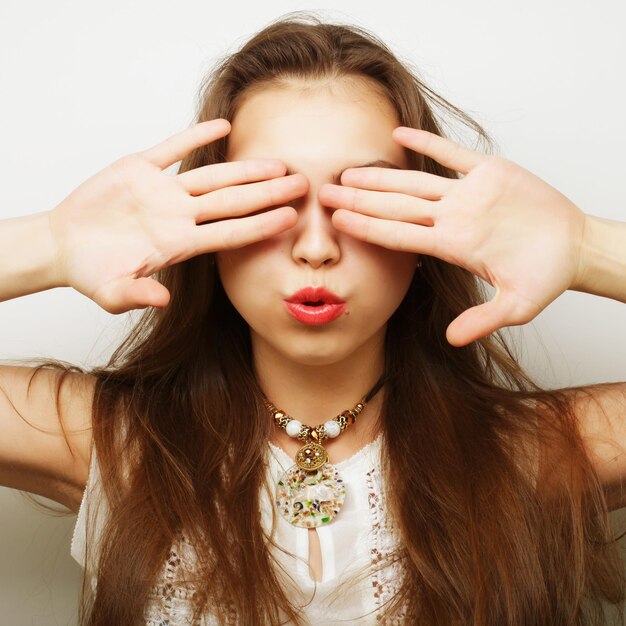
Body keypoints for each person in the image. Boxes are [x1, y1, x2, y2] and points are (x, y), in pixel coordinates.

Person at [1, 12, 625, 626]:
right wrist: (52, 245)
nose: (316, 247)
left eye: (364, 199)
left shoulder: (526, 454)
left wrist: (584, 250)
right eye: (271, 198)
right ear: (205, 221)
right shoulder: (119, 441)